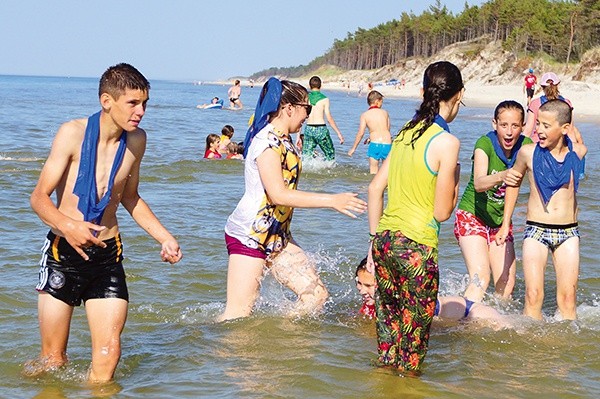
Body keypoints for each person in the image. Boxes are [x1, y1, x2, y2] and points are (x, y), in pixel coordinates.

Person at [27, 63, 182, 383]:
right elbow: (39, 198)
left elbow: (130, 197)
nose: (141, 111)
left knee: (109, 354)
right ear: (107, 101)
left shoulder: (136, 141)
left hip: (108, 256)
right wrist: (68, 226)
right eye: (133, 103)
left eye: (145, 104)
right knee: (53, 361)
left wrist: (164, 237)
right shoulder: (72, 133)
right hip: (63, 255)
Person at [219, 77, 367, 321]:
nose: (308, 115)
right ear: (289, 108)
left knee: (316, 296)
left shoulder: (285, 138)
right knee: (237, 317)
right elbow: (278, 194)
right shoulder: (266, 142)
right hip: (249, 236)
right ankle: (205, 350)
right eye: (306, 109)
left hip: (278, 236)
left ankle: (277, 346)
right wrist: (332, 201)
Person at [368, 61, 464, 375]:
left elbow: (374, 189)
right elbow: (441, 212)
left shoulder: (403, 134)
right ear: (459, 95)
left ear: (423, 92)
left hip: (384, 242)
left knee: (387, 343)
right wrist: (457, 181)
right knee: (412, 357)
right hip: (417, 249)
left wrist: (373, 242)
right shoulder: (448, 143)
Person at [497, 100, 586, 321]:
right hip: (536, 230)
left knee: (568, 299)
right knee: (533, 295)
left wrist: (571, 128)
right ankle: (532, 351)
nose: (539, 130)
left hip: (568, 233)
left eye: (546, 125)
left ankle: (565, 350)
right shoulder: (527, 153)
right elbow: (513, 183)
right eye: (538, 124)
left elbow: (577, 140)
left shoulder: (579, 152)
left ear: (564, 129)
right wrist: (505, 223)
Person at [454, 100, 532, 302]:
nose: (509, 132)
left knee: (506, 283)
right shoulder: (484, 144)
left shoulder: (525, 147)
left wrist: (506, 224)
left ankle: (494, 328)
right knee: (481, 277)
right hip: (472, 215)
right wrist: (503, 175)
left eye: (515, 126)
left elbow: (521, 186)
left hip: (499, 220)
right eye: (503, 125)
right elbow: (479, 183)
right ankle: (464, 324)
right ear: (494, 123)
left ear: (522, 127)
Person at [354, 259, 507, 324]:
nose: (362, 290)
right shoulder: (374, 303)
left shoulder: (404, 302)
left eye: (368, 285)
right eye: (359, 283)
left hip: (474, 315)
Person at [297, 76, 344, 162]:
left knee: (306, 156)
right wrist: (339, 134)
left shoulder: (306, 98)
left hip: (309, 129)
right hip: (321, 129)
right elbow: (329, 118)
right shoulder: (325, 99)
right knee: (330, 154)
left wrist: (298, 137)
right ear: (320, 86)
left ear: (310, 86)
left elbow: (301, 117)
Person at [347, 91, 392, 174]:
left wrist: (353, 148)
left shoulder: (365, 115)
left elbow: (361, 133)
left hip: (375, 144)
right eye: (381, 102)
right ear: (377, 101)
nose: (381, 104)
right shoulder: (385, 113)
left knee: (374, 171)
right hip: (387, 144)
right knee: (386, 172)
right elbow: (387, 129)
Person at [522, 72, 572, 142]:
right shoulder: (566, 103)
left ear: (542, 87)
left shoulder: (535, 103)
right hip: (559, 144)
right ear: (557, 85)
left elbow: (528, 131)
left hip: (539, 143)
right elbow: (570, 130)